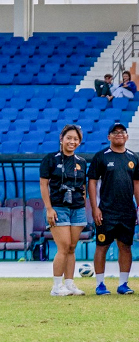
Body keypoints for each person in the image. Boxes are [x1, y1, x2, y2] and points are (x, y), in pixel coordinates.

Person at [87, 123, 139, 295]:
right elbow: (92, 183)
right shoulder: (100, 157)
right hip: (106, 211)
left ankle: (123, 284)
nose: (119, 134)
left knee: (125, 246)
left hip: (127, 211)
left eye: (122, 132)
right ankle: (100, 284)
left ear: (127, 136)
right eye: (115, 132)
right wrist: (95, 208)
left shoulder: (133, 158)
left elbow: (137, 184)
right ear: (108, 137)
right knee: (102, 245)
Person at [41, 125, 88, 296]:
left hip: (77, 208)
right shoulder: (50, 159)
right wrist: (49, 209)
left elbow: (83, 186)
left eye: (76, 139)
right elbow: (43, 185)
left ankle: (69, 284)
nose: (72, 142)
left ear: (79, 142)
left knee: (72, 247)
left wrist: (82, 204)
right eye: (69, 138)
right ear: (61, 139)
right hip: (58, 207)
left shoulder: (81, 162)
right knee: (64, 246)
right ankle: (56, 286)